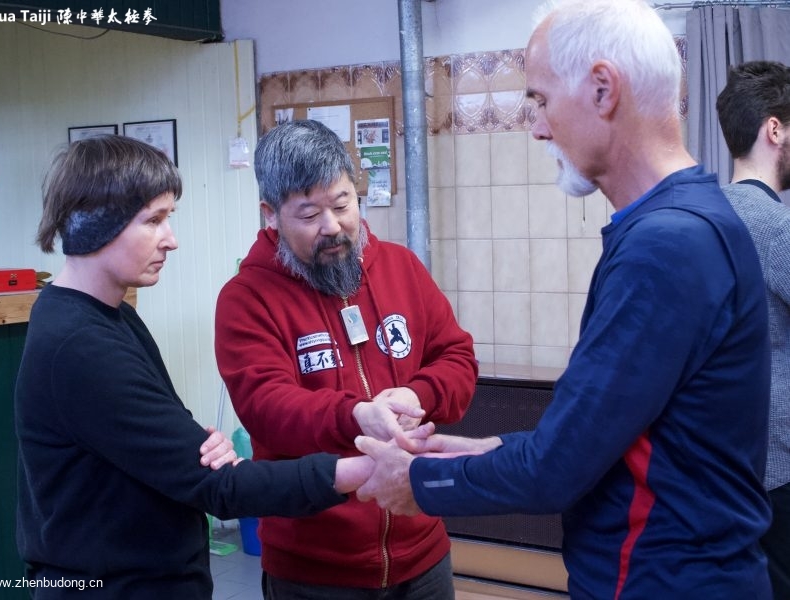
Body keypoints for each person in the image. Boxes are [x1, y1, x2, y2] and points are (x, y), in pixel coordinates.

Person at [353, 1, 774, 598]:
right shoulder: (690, 219)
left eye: (542, 100)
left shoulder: (667, 245)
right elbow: (605, 436)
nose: (538, 128)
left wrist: (417, 481)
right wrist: (483, 449)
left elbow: (557, 471)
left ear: (603, 89)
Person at [15, 134, 373, 599]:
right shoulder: (80, 345)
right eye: (153, 221)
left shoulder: (109, 314)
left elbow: (185, 450)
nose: (171, 240)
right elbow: (218, 485)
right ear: (95, 225)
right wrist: (365, 470)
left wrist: (194, 446)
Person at [213, 119, 478, 599]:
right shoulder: (247, 298)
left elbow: (456, 357)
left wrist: (417, 395)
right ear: (270, 214)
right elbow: (266, 406)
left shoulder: (401, 267)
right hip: (314, 571)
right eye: (309, 213)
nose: (333, 226)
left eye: (342, 204)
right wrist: (355, 415)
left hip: (423, 554)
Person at [716, 60, 790, 600]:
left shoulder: (706, 215)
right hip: (778, 471)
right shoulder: (775, 226)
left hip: (721, 466)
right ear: (775, 129)